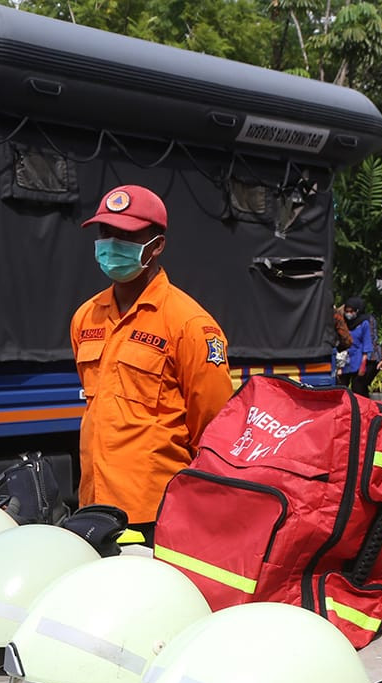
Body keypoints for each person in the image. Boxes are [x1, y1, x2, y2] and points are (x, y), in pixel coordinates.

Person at [70, 184, 232, 543]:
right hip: (93, 505)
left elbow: (213, 426)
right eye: (105, 233)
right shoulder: (86, 318)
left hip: (154, 512)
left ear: (156, 245)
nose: (111, 244)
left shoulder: (189, 325)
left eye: (125, 235)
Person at [342, 296, 377, 396]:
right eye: (347, 311)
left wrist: (363, 365)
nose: (348, 314)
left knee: (358, 389)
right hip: (345, 361)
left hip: (358, 361)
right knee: (341, 389)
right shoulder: (343, 322)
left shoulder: (364, 323)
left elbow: (367, 345)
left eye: (351, 311)